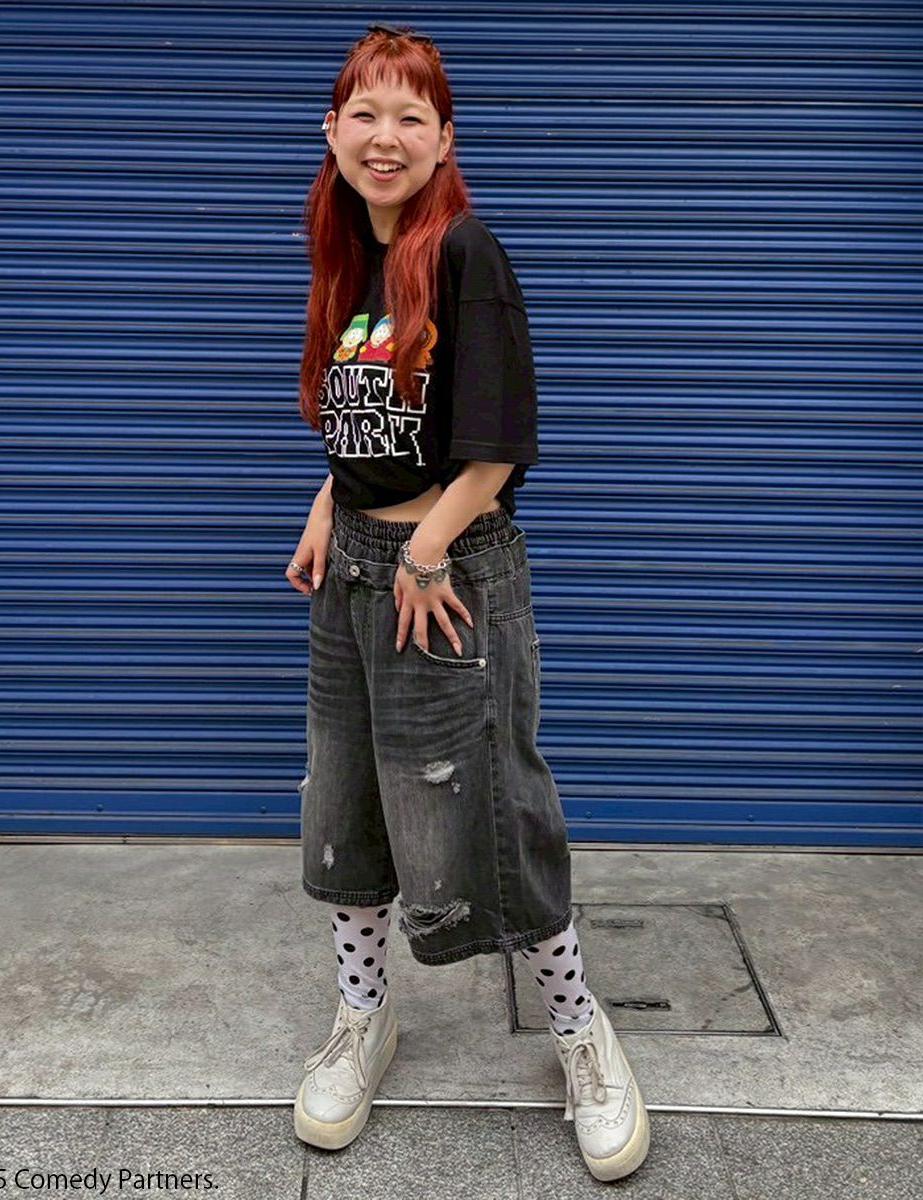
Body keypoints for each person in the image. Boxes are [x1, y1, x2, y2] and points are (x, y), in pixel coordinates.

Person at [284, 22, 650, 1182]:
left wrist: (427, 550)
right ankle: (364, 1017)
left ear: (444, 139)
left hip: (444, 580)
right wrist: (327, 506)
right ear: (331, 130)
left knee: (491, 817)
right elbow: (373, 427)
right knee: (345, 811)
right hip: (357, 575)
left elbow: (493, 446)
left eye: (411, 116)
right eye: (365, 113)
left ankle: (580, 1032)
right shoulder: (348, 256)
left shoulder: (463, 253)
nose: (384, 137)